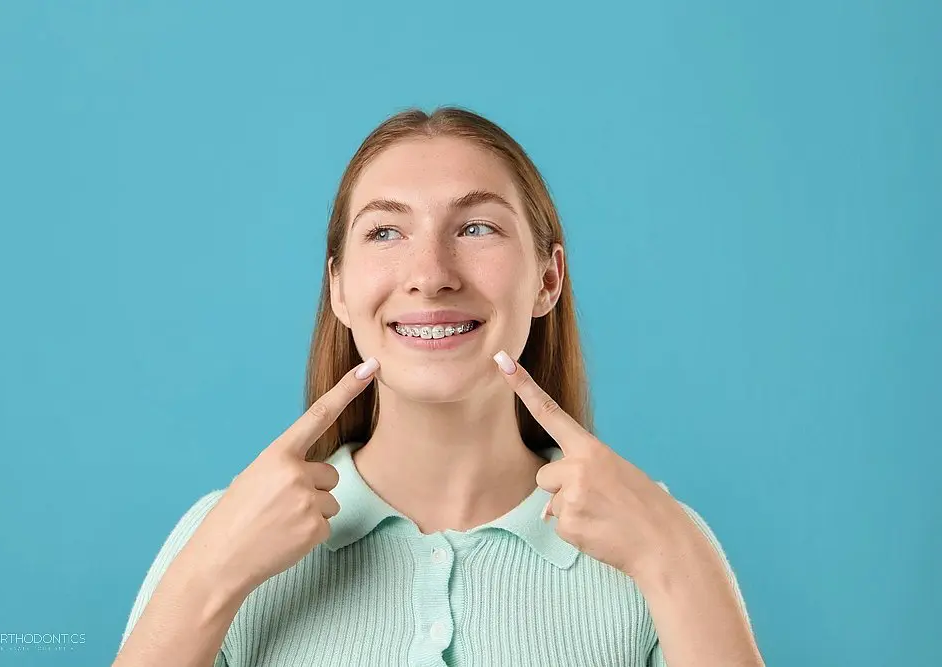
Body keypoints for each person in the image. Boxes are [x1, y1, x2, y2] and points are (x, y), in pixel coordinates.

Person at [113, 107, 764, 667]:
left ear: (547, 279)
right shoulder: (220, 533)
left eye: (477, 227)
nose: (430, 274)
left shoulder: (657, 540)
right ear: (338, 288)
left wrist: (676, 563)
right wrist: (209, 577)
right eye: (385, 232)